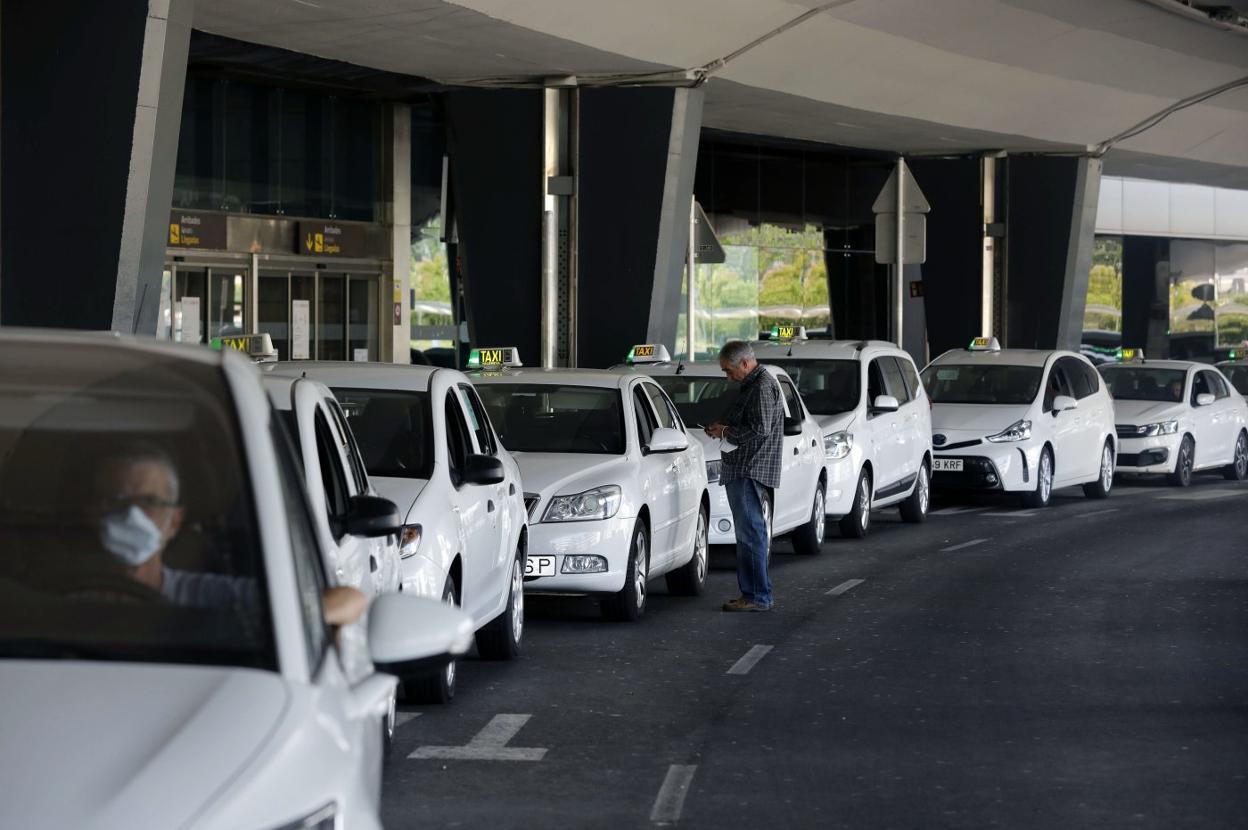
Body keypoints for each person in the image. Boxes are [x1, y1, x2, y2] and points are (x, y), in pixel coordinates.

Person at [88, 443, 258, 610]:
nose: (133, 515)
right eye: (117, 501)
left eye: (149, 502)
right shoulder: (68, 601)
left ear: (174, 522)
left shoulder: (212, 597)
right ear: (94, 514)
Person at [705, 341, 784, 612]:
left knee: (750, 533)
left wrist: (726, 432)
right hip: (745, 467)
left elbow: (760, 429)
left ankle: (757, 596)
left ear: (745, 364)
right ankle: (753, 593)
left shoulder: (761, 387)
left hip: (749, 468)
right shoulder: (755, 383)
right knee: (750, 533)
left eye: (729, 371)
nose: (728, 377)